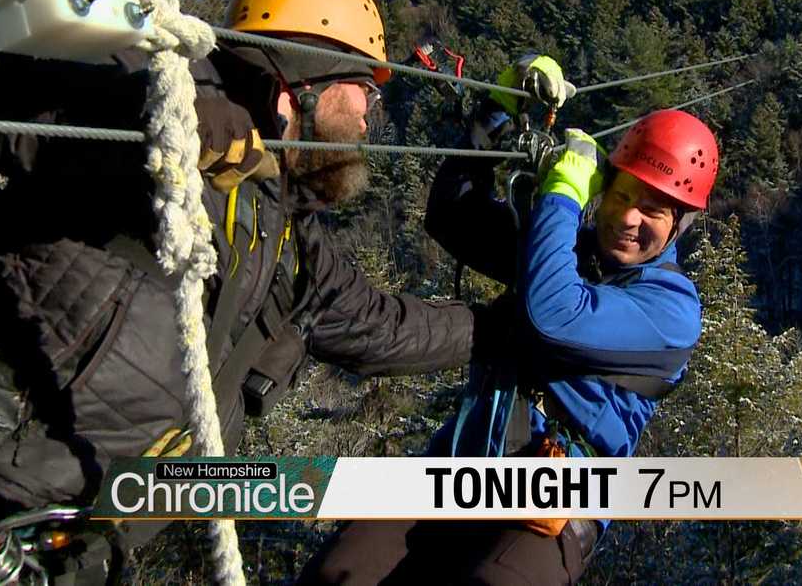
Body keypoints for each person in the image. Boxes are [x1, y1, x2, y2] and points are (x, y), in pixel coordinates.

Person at [0, 0, 474, 583]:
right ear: (305, 80)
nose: (371, 115)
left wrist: (521, 324)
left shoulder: (288, 236)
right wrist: (144, 114)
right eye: (365, 90)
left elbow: (385, 328)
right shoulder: (166, 79)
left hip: (58, 543)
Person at [298, 56, 720, 585]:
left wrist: (561, 196)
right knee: (341, 572)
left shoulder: (672, 311)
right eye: (621, 196)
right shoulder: (567, 249)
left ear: (679, 224)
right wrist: (497, 112)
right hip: (466, 462)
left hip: (555, 496)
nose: (628, 218)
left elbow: (554, 316)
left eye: (653, 210)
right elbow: (454, 215)